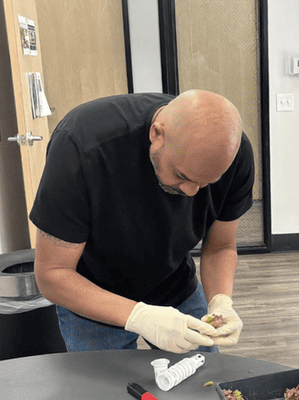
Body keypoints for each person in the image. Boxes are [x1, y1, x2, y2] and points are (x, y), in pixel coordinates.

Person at [31, 90, 255, 354]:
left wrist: (220, 301)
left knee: (200, 386)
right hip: (92, 295)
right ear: (156, 134)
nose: (192, 191)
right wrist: (139, 317)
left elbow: (220, 247)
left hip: (174, 288)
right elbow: (52, 274)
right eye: (182, 175)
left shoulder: (234, 155)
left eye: (206, 183)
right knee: (107, 393)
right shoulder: (81, 146)